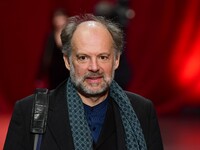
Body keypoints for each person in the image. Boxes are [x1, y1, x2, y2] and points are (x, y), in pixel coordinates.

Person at [4, 14, 163, 150]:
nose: (94, 67)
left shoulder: (142, 112)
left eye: (103, 57)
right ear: (67, 61)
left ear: (116, 60)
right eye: (83, 57)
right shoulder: (29, 111)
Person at [36, 8, 70, 89]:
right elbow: (46, 53)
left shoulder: (69, 34)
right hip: (54, 69)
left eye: (61, 17)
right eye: (57, 18)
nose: (59, 20)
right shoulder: (51, 35)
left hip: (67, 67)